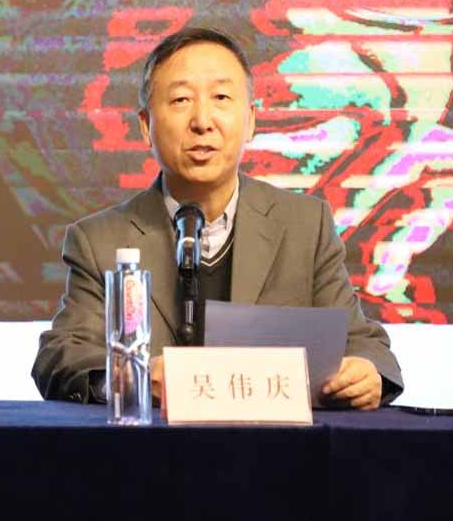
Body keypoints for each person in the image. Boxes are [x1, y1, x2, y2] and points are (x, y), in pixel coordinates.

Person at [32, 28, 403, 410]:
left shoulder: (305, 225)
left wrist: (367, 372)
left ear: (251, 120)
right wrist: (131, 377)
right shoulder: (99, 240)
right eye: (181, 100)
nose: (202, 121)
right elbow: (61, 356)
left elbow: (363, 343)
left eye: (221, 98)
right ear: (146, 125)